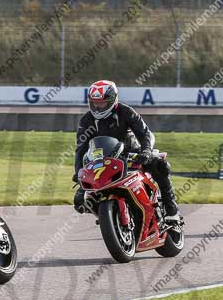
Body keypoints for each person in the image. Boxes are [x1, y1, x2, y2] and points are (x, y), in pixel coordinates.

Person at [72, 80, 181, 223]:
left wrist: (146, 151)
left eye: (102, 103)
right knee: (79, 201)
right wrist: (79, 173)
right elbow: (80, 150)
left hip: (132, 155)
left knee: (160, 165)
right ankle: (109, 217)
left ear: (112, 100)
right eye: (94, 103)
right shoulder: (86, 121)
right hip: (103, 161)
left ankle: (172, 211)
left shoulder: (126, 112)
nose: (97, 107)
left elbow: (145, 134)